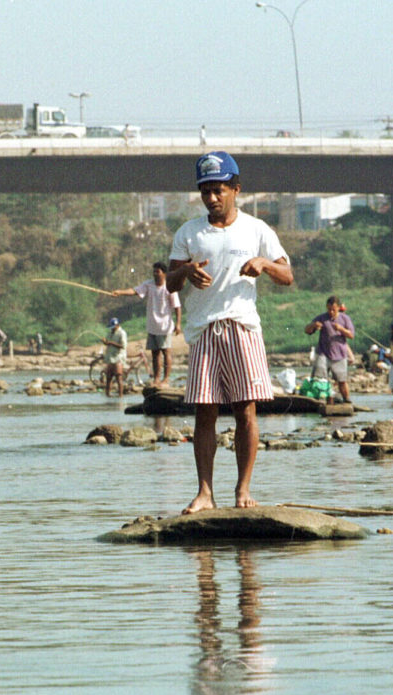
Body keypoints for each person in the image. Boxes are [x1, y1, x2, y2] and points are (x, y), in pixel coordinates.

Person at [167, 151, 293, 514]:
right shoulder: (189, 232)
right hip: (204, 329)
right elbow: (170, 284)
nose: (212, 197)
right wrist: (188, 270)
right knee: (205, 413)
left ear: (236, 189)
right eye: (206, 191)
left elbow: (287, 276)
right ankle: (205, 492)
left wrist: (265, 263)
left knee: (245, 412)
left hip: (242, 326)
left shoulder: (256, 229)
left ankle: (243, 490)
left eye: (219, 189)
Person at [112, 262, 182, 387]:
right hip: (152, 325)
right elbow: (135, 291)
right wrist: (120, 292)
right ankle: (156, 378)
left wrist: (178, 324)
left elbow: (177, 307)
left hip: (165, 326)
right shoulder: (148, 284)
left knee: (166, 352)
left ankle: (166, 379)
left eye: (158, 272)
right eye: (154, 271)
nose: (155, 274)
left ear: (164, 273)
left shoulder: (169, 287)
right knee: (155, 354)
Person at [304, 295, 355, 403]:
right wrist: (313, 325)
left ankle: (346, 399)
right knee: (322, 379)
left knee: (341, 380)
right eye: (329, 309)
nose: (331, 312)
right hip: (323, 353)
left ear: (338, 308)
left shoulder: (345, 319)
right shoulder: (322, 318)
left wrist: (341, 329)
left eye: (333, 309)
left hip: (339, 354)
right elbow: (307, 330)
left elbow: (351, 335)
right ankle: (327, 400)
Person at [101, 317, 127, 397]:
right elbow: (108, 342)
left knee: (119, 377)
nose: (112, 329)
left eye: (113, 327)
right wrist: (105, 342)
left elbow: (123, 346)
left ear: (117, 325)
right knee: (108, 378)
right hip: (110, 357)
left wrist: (111, 343)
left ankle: (120, 396)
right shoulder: (110, 333)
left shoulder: (122, 333)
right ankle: (107, 395)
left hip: (118, 357)